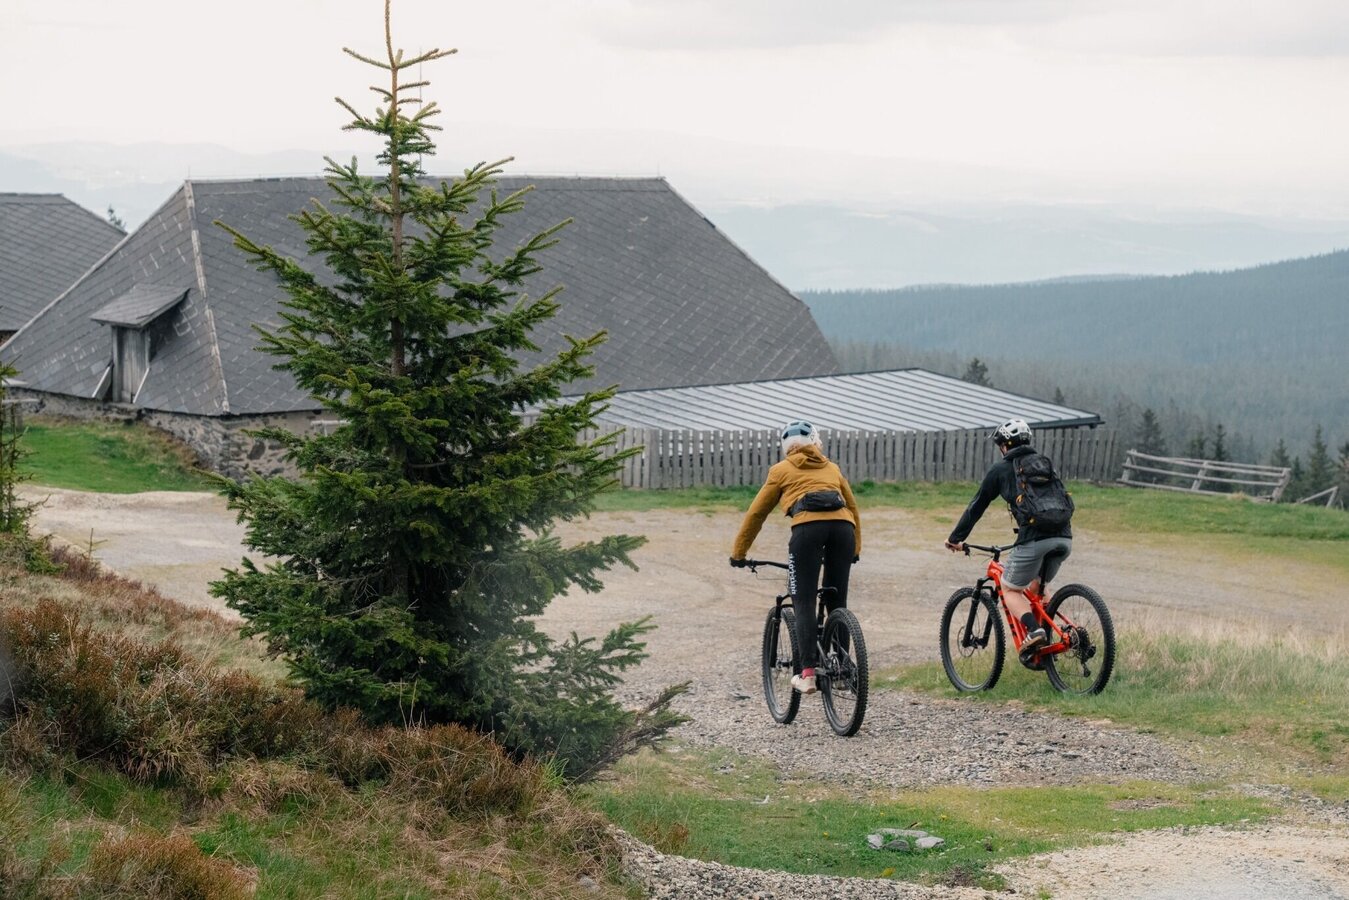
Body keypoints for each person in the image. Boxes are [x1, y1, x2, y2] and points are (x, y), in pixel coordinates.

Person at [730, 420, 861, 694]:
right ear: (814, 442)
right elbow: (852, 506)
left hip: (807, 531)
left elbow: (757, 513)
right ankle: (842, 668)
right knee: (837, 599)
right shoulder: (832, 468)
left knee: (803, 599)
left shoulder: (780, 470)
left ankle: (808, 674)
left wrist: (739, 553)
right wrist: (856, 549)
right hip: (844, 531)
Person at [944, 418, 1072, 660]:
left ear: (1004, 445)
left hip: (1034, 538)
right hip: (1064, 538)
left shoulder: (1001, 469)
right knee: (1037, 587)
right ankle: (1055, 640)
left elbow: (977, 505)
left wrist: (955, 538)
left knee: (1010, 588)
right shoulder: (1045, 464)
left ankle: (1035, 631)